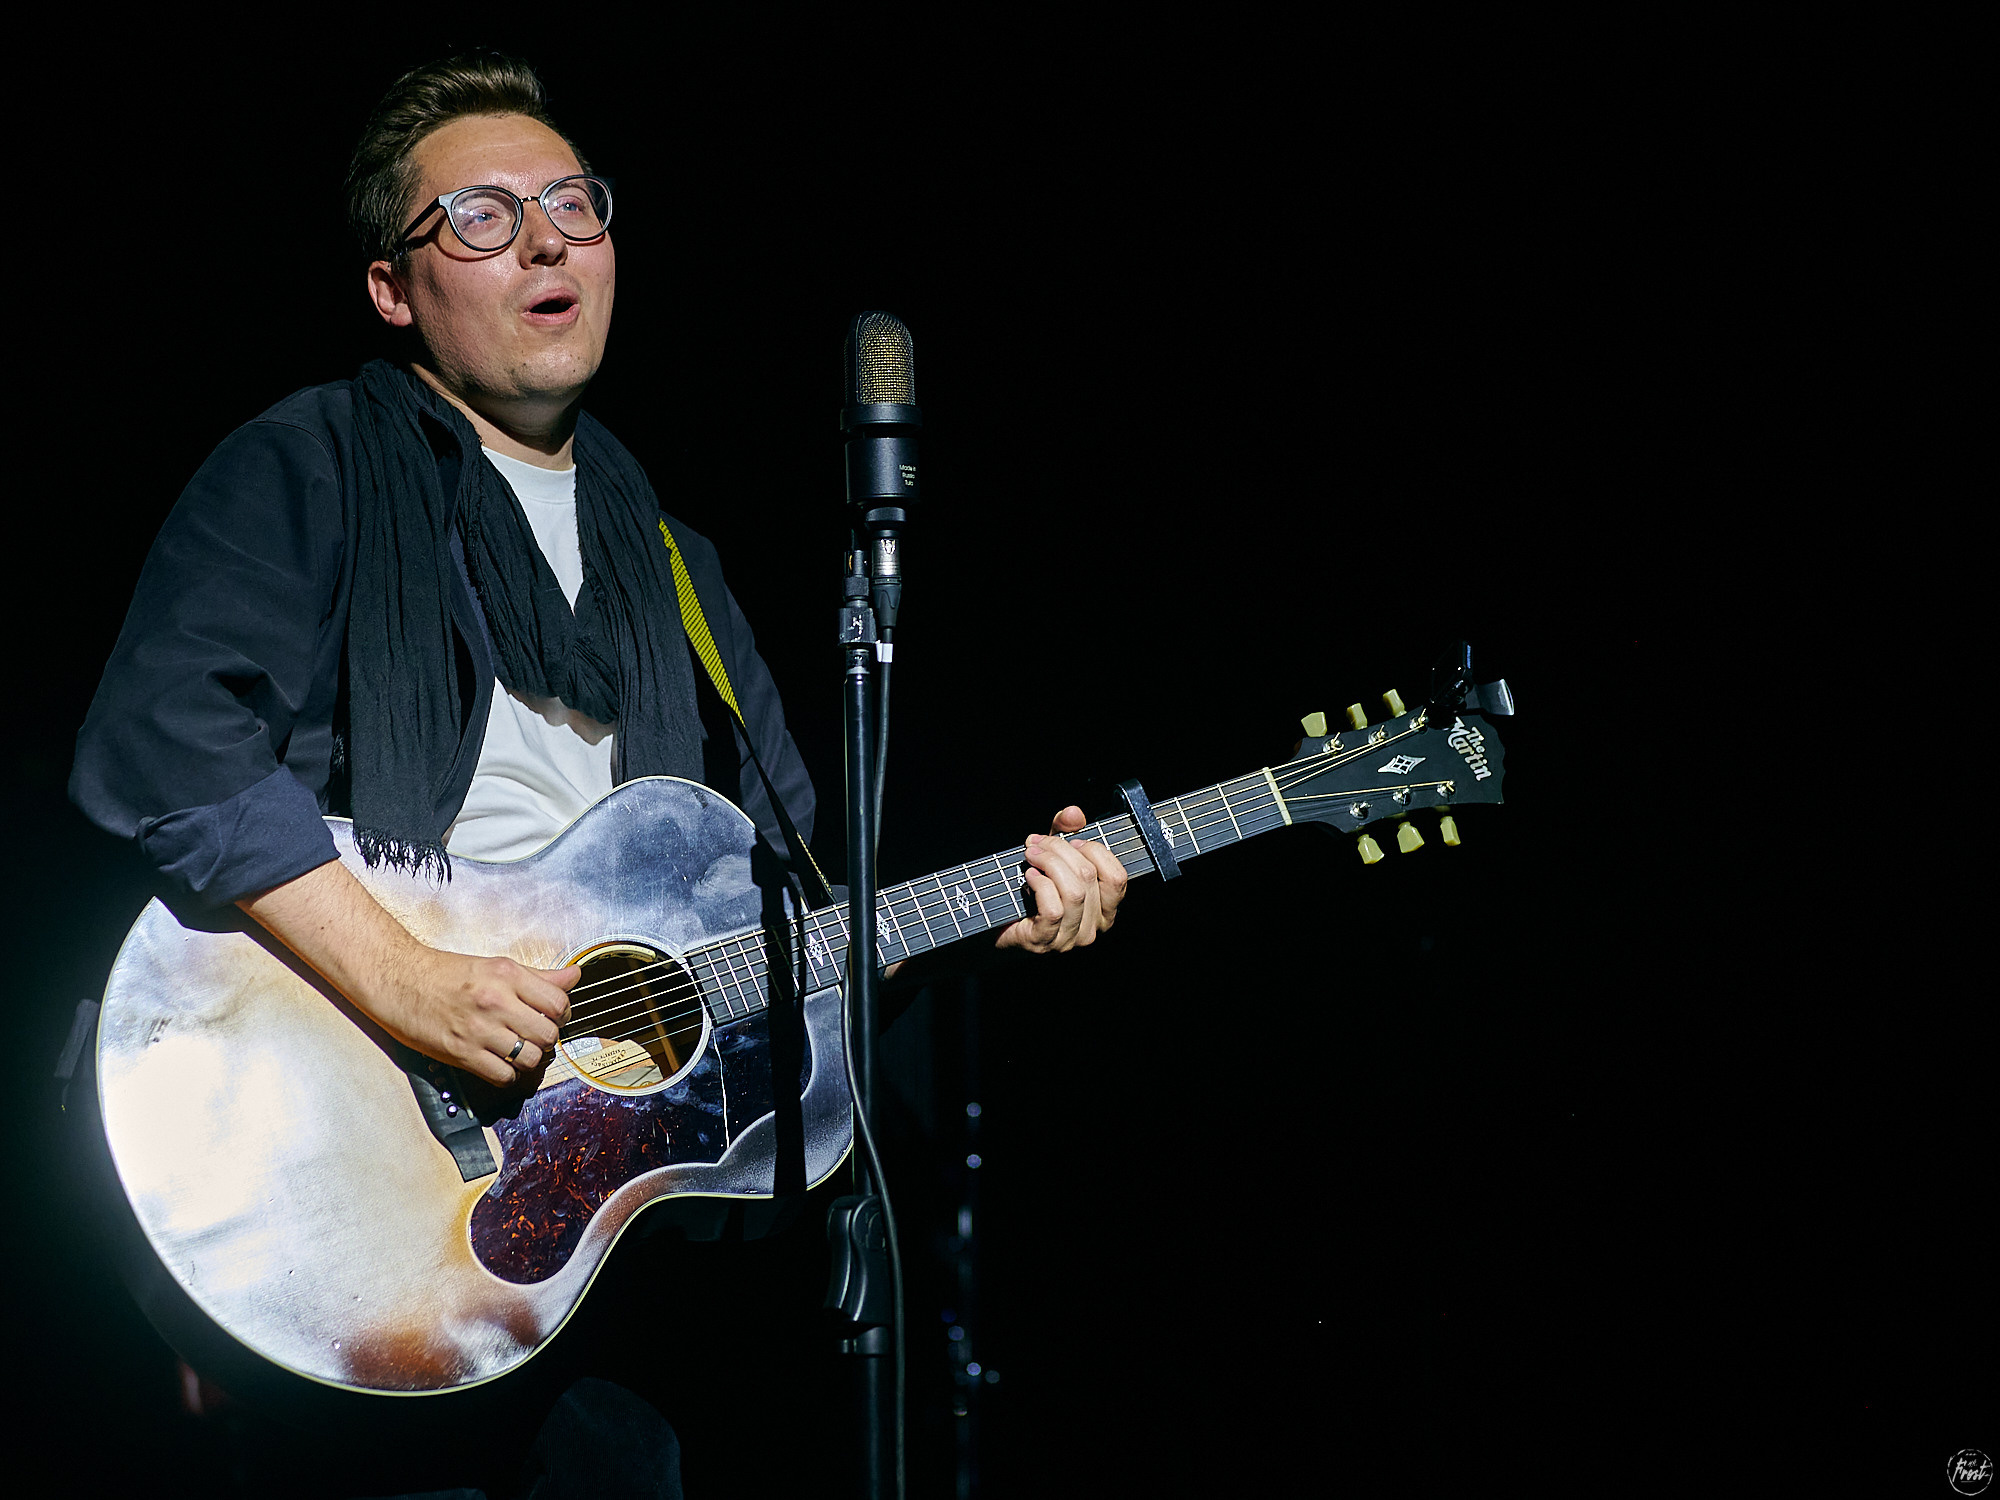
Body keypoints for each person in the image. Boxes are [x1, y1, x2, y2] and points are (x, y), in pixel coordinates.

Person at [69, 51, 1126, 1499]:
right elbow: (162, 743)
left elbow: (792, 916)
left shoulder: (678, 571)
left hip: (599, 1263)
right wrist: (408, 980)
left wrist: (990, 915)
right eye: (486, 217)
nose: (549, 237)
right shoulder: (306, 466)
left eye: (572, 203)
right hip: (351, 1158)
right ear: (396, 287)